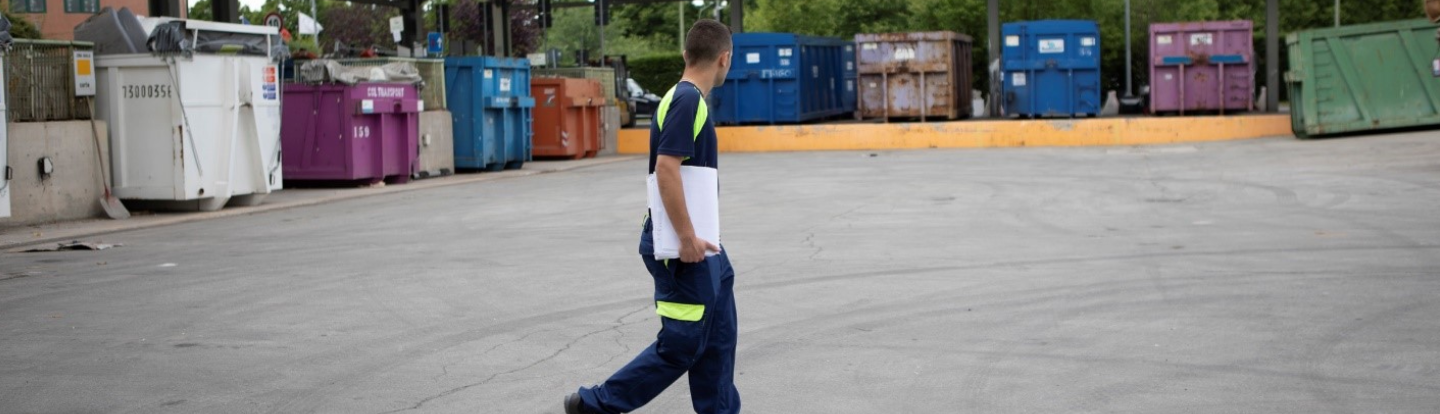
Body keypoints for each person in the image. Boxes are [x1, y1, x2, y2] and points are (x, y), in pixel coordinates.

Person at [566, 19, 739, 414]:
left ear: (685, 54)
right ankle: (594, 405)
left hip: (704, 244)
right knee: (682, 345)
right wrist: (687, 238)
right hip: (683, 245)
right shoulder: (687, 101)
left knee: (718, 336)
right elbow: (666, 168)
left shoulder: (685, 98)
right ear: (724, 59)